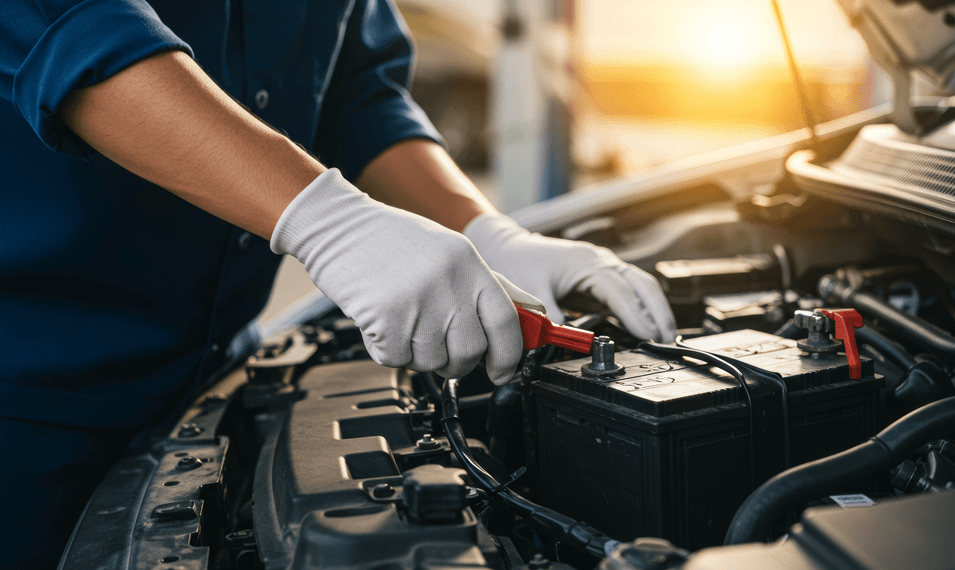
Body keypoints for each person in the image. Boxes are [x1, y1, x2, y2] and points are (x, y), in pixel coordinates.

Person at [0, 0, 675, 567]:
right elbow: (75, 27)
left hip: (213, 384)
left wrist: (487, 233)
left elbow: (358, 97)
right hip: (27, 403)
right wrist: (326, 221)